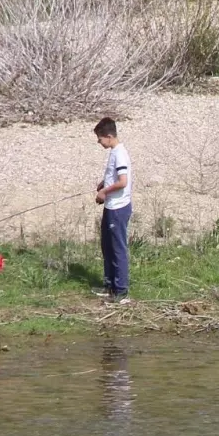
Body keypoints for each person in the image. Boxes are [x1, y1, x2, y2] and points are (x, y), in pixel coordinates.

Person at [93, 117, 132, 303]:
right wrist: (104, 182)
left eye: (100, 139)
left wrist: (104, 192)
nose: (99, 142)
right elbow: (114, 175)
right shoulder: (114, 152)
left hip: (118, 208)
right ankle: (109, 285)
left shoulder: (120, 154)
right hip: (110, 206)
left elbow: (123, 182)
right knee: (107, 247)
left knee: (118, 249)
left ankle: (121, 291)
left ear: (109, 136)